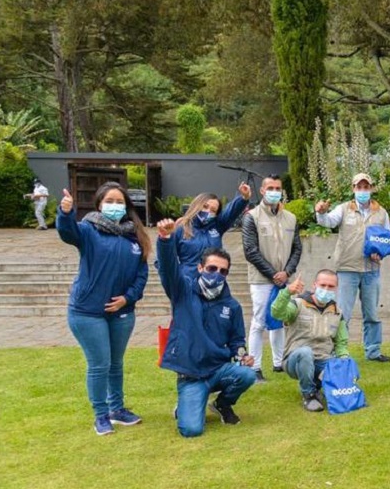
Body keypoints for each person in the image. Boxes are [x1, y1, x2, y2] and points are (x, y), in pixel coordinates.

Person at [57, 183, 150, 436]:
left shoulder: (135, 236)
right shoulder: (88, 230)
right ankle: (101, 415)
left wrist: (127, 298)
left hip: (121, 312)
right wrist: (65, 213)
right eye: (110, 201)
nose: (115, 206)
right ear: (99, 205)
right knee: (99, 364)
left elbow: (141, 275)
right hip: (87, 312)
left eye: (120, 201)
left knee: (115, 364)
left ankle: (117, 409)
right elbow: (67, 232)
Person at [157, 219, 256, 437]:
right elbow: (167, 268)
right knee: (191, 430)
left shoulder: (232, 306)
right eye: (212, 268)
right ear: (200, 268)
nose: (217, 274)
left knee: (248, 375)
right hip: (191, 374)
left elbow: (237, 341)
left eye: (223, 271)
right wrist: (165, 240)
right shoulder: (182, 291)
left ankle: (221, 404)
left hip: (218, 369)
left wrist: (243, 356)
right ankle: (188, 404)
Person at [315, 173, 390, 362]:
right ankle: (337, 352)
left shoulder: (381, 212)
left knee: (372, 314)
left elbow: (389, 239)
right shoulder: (343, 209)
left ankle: (373, 351)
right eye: (359, 187)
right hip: (346, 269)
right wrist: (321, 212)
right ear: (353, 189)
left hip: (371, 270)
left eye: (366, 187)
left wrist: (381, 252)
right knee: (343, 314)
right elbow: (327, 222)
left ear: (372, 188)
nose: (363, 190)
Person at [242, 175, 302, 382]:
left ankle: (279, 363)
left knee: (279, 320)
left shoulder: (291, 218)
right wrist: (272, 274)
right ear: (262, 190)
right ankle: (255, 368)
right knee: (258, 322)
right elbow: (250, 251)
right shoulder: (252, 217)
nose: (274, 191)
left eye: (278, 188)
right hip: (261, 279)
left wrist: (287, 272)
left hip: (284, 278)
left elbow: (297, 248)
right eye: (270, 187)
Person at [270, 270, 348, 412]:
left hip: (323, 359)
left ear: (336, 289)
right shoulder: (297, 304)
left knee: (342, 378)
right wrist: (287, 292)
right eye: (323, 285)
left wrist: (344, 362)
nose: (326, 289)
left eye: (331, 286)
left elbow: (341, 343)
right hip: (296, 360)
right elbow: (276, 312)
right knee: (306, 353)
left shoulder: (338, 312)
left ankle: (318, 385)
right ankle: (309, 395)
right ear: (314, 285)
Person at [172, 184, 252, 275]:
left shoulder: (217, 226)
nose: (208, 211)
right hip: (188, 283)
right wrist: (178, 279)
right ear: (196, 205)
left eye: (213, 210)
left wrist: (243, 198)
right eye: (205, 206)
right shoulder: (180, 228)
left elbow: (231, 211)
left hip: (214, 282)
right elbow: (163, 259)